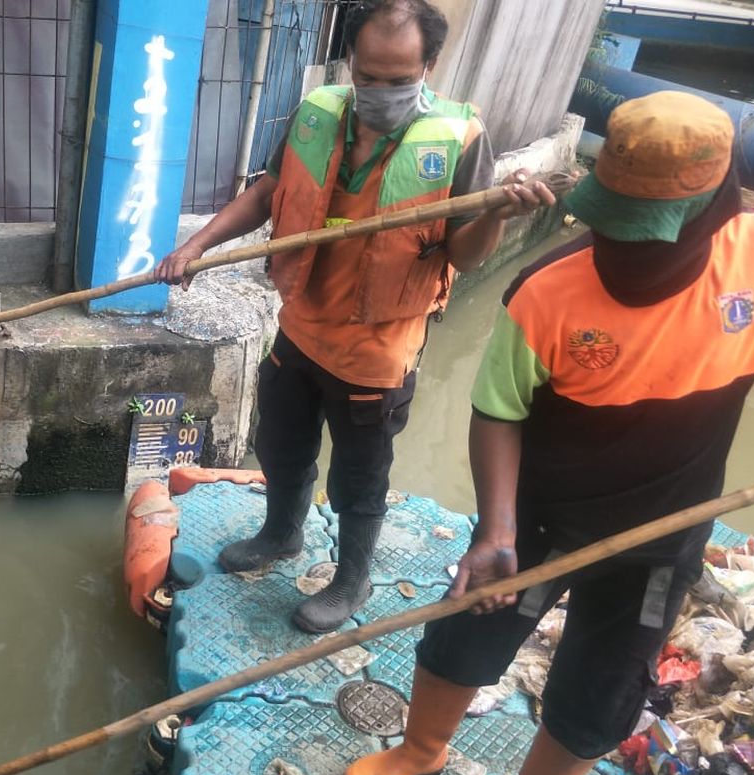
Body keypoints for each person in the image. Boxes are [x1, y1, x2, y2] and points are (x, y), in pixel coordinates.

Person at [342, 91, 754, 775]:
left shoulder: (749, 259)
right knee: (464, 635)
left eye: (645, 230)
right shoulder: (547, 289)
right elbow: (497, 411)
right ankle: (421, 748)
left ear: (714, 209)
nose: (621, 246)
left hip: (664, 533)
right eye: (614, 223)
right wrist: (496, 527)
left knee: (604, 688)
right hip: (541, 517)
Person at [154, 0, 553, 633]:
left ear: (430, 65)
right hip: (301, 325)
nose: (380, 92)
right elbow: (267, 191)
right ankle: (281, 535)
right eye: (368, 76)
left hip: (378, 348)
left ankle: (351, 580)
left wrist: (498, 214)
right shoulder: (318, 114)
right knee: (279, 447)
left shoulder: (459, 138)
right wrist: (195, 247)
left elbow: (464, 255)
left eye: (399, 80)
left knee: (360, 479)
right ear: (350, 62)